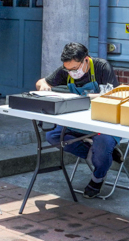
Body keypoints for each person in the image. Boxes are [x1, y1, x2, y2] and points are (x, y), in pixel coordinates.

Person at [35, 42, 122, 198]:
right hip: (76, 122)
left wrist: (83, 97)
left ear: (86, 60)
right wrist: (43, 86)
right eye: (68, 70)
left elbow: (112, 95)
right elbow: (42, 82)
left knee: (102, 145)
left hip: (103, 122)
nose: (71, 73)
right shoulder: (65, 70)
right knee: (53, 136)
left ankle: (98, 177)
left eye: (74, 69)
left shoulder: (102, 67)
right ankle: (94, 154)